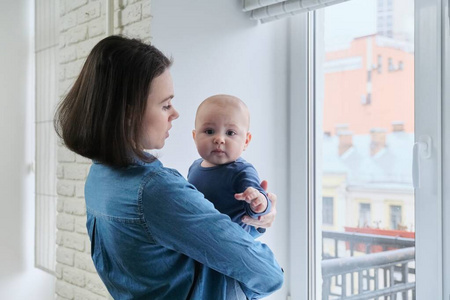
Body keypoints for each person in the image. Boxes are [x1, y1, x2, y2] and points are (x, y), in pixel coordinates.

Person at [54, 35, 283, 300]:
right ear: (130, 113)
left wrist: (253, 218)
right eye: (165, 105)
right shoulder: (155, 190)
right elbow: (269, 274)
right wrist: (247, 235)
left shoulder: (99, 176)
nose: (175, 113)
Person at [188, 95, 271, 238]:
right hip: (201, 241)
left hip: (231, 246)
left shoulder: (242, 172)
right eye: (209, 131)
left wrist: (258, 203)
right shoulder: (194, 167)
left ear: (246, 141)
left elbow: (258, 199)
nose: (219, 139)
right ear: (195, 137)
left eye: (230, 133)